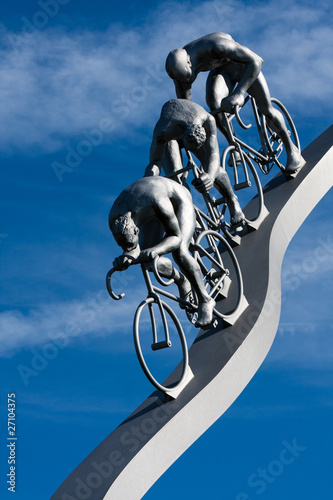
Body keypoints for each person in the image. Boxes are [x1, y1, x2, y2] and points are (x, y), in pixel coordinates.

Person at [166, 32, 305, 175]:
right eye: (184, 79)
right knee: (215, 105)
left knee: (266, 109)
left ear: (189, 62)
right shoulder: (179, 75)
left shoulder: (216, 47)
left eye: (189, 75)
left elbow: (257, 61)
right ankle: (234, 145)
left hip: (245, 66)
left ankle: (291, 149)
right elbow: (189, 109)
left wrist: (239, 93)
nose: (188, 80)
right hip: (222, 71)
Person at [109, 176, 216, 328]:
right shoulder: (114, 220)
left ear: (136, 229)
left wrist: (155, 250)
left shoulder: (155, 201)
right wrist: (125, 258)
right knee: (147, 262)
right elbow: (131, 249)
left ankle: (205, 300)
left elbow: (176, 236)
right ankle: (182, 280)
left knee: (180, 252)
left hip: (177, 200)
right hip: (148, 210)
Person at [145, 98, 245, 225]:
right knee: (176, 180)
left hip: (191, 125)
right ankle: (189, 215)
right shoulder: (163, 131)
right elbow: (155, 162)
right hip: (171, 137)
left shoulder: (208, 120)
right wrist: (148, 179)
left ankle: (232, 199)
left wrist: (209, 176)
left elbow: (213, 155)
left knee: (209, 164)